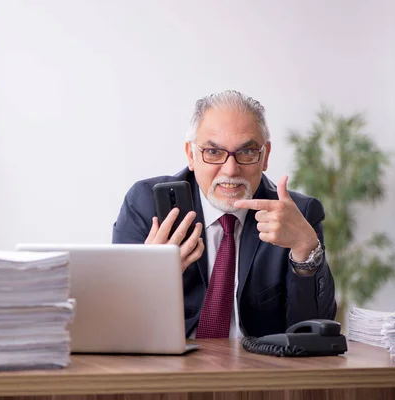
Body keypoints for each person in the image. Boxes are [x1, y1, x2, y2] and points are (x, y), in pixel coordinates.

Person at [112, 90, 337, 339]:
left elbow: (315, 334)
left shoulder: (296, 215)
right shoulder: (146, 204)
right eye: (213, 152)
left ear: (265, 157)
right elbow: (117, 322)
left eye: (247, 152)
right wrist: (151, 276)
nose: (230, 170)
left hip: (259, 370)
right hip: (174, 369)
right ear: (191, 154)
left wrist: (306, 251)